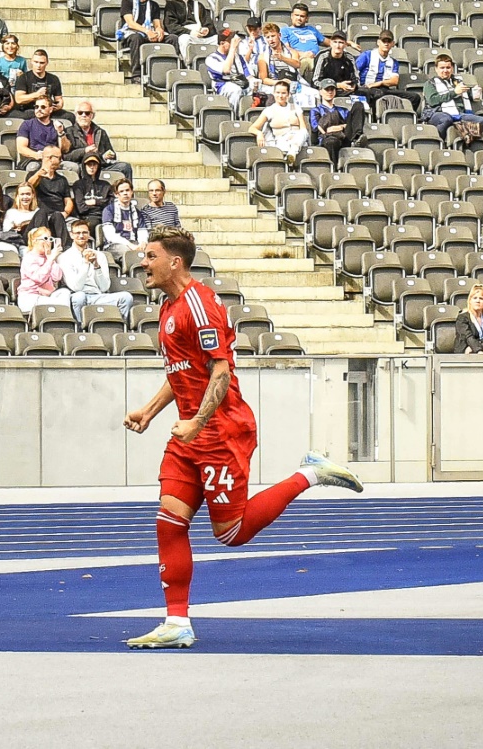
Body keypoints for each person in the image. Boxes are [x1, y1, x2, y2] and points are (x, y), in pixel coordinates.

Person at [123, 225, 364, 649]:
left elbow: (221, 371)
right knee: (168, 522)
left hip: (219, 430)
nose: (143, 263)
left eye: (150, 256)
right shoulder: (167, 309)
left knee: (231, 533)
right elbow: (182, 374)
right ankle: (177, 622)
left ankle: (308, 474)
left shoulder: (199, 305)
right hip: (190, 432)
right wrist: (149, 409)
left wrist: (196, 422)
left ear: (174, 261)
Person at [58, 219, 132, 323]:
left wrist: (96, 265)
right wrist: (86, 263)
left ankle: (120, 327)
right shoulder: (64, 257)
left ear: (89, 234)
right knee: (79, 297)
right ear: (71, 235)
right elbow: (76, 287)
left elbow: (104, 287)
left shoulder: (100, 255)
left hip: (98, 296)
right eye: (77, 233)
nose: (81, 236)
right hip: (79, 296)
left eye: (84, 232)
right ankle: (80, 329)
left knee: (126, 297)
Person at [280, 3, 359, 83]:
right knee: (308, 62)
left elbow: (329, 42)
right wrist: (303, 54)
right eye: (296, 15)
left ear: (307, 18)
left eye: (302, 16)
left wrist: (348, 43)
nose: (299, 18)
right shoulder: (285, 30)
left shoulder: (311, 30)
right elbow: (286, 49)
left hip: (318, 59)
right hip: (301, 59)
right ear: (291, 16)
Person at [422, 53, 483, 143]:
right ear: (436, 69)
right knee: (446, 119)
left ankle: (471, 142)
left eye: (448, 67)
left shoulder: (458, 82)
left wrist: (475, 93)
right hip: (437, 112)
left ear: (452, 68)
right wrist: (454, 92)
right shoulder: (430, 83)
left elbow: (467, 95)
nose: (445, 70)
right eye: (442, 68)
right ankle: (439, 143)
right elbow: (432, 101)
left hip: (460, 114)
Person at [354, 30, 421, 113]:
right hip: (366, 88)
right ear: (378, 42)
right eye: (383, 41)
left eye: (388, 41)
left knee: (415, 97)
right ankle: (376, 120)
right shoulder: (367, 55)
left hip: (384, 88)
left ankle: (400, 118)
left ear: (392, 43)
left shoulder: (393, 62)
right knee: (378, 94)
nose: (386, 44)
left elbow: (394, 81)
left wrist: (380, 83)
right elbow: (355, 71)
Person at [66, 100, 131, 180]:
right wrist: (85, 151)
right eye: (80, 113)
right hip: (82, 166)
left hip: (100, 165)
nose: (83, 115)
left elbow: (111, 153)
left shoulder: (100, 132)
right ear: (76, 115)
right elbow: (66, 156)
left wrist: (108, 156)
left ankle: (127, 191)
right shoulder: (69, 132)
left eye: (87, 113)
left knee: (125, 167)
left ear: (92, 116)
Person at [249, 80, 309, 163]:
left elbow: (303, 130)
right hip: (282, 141)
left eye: (283, 93)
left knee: (303, 133)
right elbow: (252, 128)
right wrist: (259, 134)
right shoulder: (269, 110)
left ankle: (292, 152)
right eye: (278, 92)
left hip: (298, 141)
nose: (280, 96)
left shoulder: (296, 108)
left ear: (288, 94)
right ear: (274, 93)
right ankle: (290, 156)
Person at [118, 0, 176, 84]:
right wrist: (147, 31)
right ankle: (136, 75)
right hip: (132, 33)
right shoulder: (127, 1)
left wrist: (159, 31)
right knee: (136, 38)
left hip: (149, 33)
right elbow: (130, 23)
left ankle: (175, 71)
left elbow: (157, 24)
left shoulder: (154, 5)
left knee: (173, 38)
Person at [310, 78, 366, 163]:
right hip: (327, 138)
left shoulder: (342, 110)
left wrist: (338, 127)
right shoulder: (316, 110)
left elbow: (349, 125)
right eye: (326, 89)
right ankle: (334, 169)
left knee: (358, 105)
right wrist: (335, 128)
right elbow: (317, 127)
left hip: (343, 136)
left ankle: (357, 138)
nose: (330, 92)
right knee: (331, 141)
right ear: (320, 92)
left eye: (332, 89)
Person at [17, 225, 70, 312]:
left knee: (64, 293)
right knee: (58, 305)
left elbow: (57, 277)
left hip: (47, 296)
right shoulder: (29, 258)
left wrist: (50, 258)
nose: (47, 242)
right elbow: (38, 278)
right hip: (30, 297)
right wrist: (50, 259)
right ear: (35, 241)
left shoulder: (48, 258)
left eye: (50, 239)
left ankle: (64, 320)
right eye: (45, 238)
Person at [15, 96, 71, 173]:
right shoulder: (27, 124)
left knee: (73, 167)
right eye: (36, 107)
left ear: (51, 109)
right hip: (35, 160)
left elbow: (65, 149)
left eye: (43, 107)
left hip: (55, 160)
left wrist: (61, 133)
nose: (39, 109)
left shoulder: (57, 125)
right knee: (33, 167)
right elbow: (21, 148)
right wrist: (37, 155)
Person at [205, 28, 255, 113]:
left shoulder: (238, 57)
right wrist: (232, 49)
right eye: (230, 40)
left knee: (261, 88)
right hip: (223, 85)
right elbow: (226, 70)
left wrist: (254, 82)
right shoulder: (211, 58)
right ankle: (233, 117)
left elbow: (248, 74)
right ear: (222, 43)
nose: (234, 42)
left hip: (242, 83)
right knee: (235, 90)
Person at [101, 177, 147, 264]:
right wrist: (130, 245)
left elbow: (142, 231)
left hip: (134, 243)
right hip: (114, 245)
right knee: (128, 253)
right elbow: (110, 235)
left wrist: (143, 243)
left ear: (132, 192)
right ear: (116, 194)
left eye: (127, 190)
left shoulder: (137, 212)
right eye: (121, 191)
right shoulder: (109, 210)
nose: (125, 193)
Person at [13, 48, 66, 119]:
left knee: (69, 116)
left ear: (46, 63)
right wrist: (37, 95)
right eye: (36, 62)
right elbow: (18, 99)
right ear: (31, 62)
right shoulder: (24, 77)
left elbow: (59, 99)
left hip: (48, 110)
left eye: (42, 63)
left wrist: (59, 105)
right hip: (29, 110)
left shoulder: (53, 79)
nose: (38, 65)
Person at [256, 23, 301, 99]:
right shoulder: (262, 57)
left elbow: (297, 64)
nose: (271, 40)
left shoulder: (292, 52)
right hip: (274, 84)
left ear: (279, 35)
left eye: (273, 36)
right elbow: (264, 79)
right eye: (268, 37)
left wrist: (282, 58)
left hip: (292, 82)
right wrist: (280, 83)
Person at [72, 154, 112, 233]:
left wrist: (95, 202)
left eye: (94, 164)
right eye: (89, 164)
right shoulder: (78, 185)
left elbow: (110, 204)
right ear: (84, 166)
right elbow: (81, 208)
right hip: (86, 217)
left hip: (103, 216)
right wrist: (101, 204)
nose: (92, 167)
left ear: (98, 166)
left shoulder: (106, 185)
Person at [310, 29, 357, 95]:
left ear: (345, 45)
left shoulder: (349, 58)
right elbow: (315, 81)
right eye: (335, 42)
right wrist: (337, 85)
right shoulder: (323, 57)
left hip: (345, 91)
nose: (337, 46)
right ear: (331, 43)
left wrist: (353, 85)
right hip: (326, 91)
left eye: (341, 43)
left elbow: (356, 78)